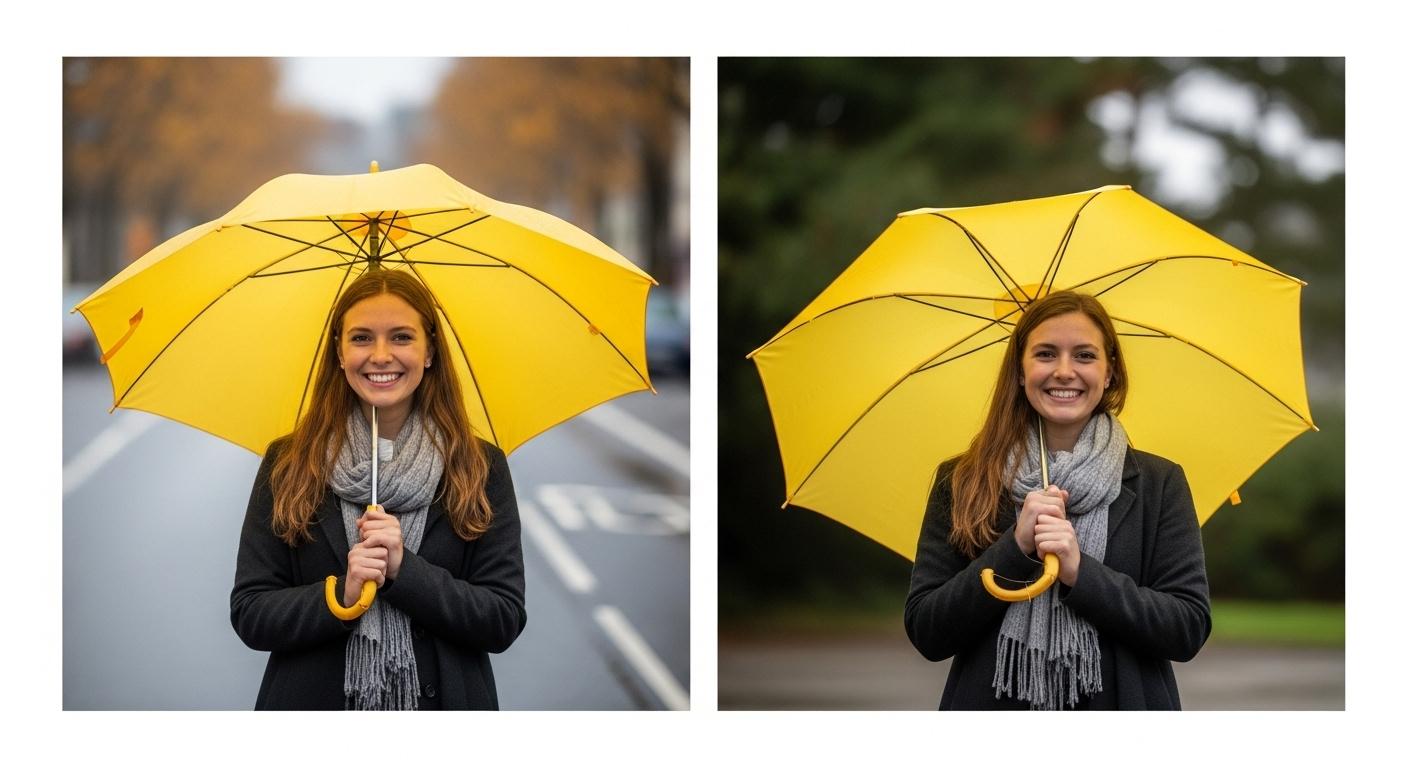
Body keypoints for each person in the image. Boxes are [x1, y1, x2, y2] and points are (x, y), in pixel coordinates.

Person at [231, 268, 526, 710]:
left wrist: (405, 571)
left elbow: (502, 618)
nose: (381, 355)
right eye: (362, 337)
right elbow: (251, 612)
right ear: (339, 351)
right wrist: (341, 596)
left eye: (402, 337)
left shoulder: (478, 466)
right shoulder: (289, 463)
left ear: (429, 351)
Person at [904, 290, 1210, 710]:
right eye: (1046, 354)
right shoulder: (962, 480)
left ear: (1109, 373)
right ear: (1019, 370)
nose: (1064, 371)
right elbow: (928, 631)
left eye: (1084, 356)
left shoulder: (1160, 483)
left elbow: (1187, 627)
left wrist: (1079, 571)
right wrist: (1015, 548)